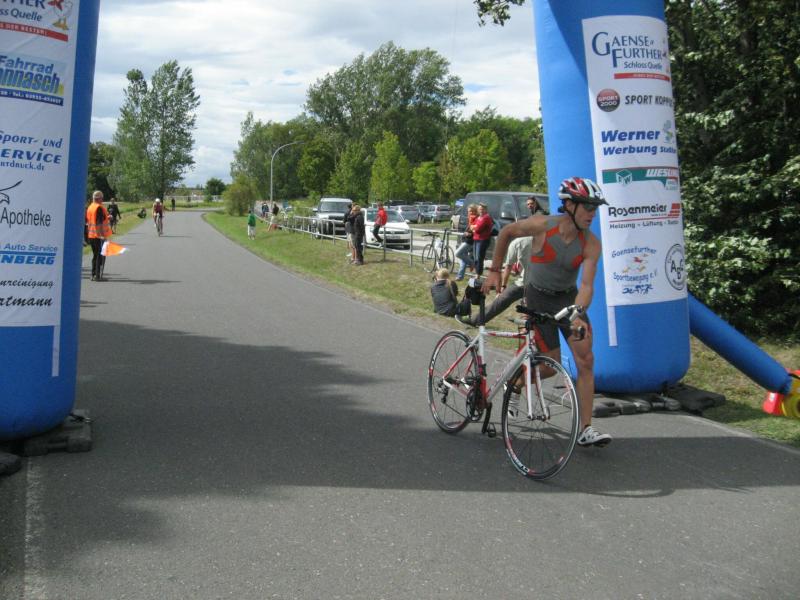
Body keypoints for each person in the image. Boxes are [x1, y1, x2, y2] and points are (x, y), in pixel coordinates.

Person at [481, 176, 612, 448]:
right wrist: (494, 270)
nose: (592, 214)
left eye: (595, 208)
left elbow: (586, 286)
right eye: (588, 207)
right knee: (549, 365)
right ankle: (516, 384)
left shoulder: (591, 243)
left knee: (586, 359)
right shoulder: (543, 225)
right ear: (570, 205)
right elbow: (506, 233)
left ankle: (585, 429)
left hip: (567, 299)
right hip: (537, 296)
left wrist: (578, 313)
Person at [458, 235, 532, 327]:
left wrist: (503, 286)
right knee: (533, 310)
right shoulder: (545, 238)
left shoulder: (518, 242)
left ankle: (476, 320)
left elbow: (508, 267)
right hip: (543, 284)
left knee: (500, 302)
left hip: (524, 283)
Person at [85, 190, 111, 281]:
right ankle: (97, 275)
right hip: (98, 235)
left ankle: (93, 274)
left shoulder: (90, 207)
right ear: (99, 198)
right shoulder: (98, 208)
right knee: (99, 255)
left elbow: (92, 220)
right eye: (102, 198)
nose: (102, 200)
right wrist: (101, 235)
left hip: (91, 234)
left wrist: (107, 217)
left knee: (95, 255)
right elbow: (98, 223)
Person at [455, 204, 478, 280]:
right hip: (465, 239)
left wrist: (470, 234)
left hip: (470, 241)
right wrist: (467, 233)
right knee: (463, 259)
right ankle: (460, 276)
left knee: (457, 253)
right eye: (469, 211)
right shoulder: (470, 218)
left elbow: (476, 231)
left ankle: (472, 263)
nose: (470, 213)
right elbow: (470, 229)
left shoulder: (476, 219)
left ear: (475, 211)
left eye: (471, 211)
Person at [471, 203, 494, 276]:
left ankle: (478, 274)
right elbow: (471, 225)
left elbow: (478, 229)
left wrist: (474, 228)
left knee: (479, 258)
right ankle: (477, 272)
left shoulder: (486, 217)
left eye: (482, 209)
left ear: (485, 210)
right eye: (479, 209)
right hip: (476, 239)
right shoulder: (478, 218)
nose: (481, 210)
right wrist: (474, 227)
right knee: (475, 257)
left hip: (483, 240)